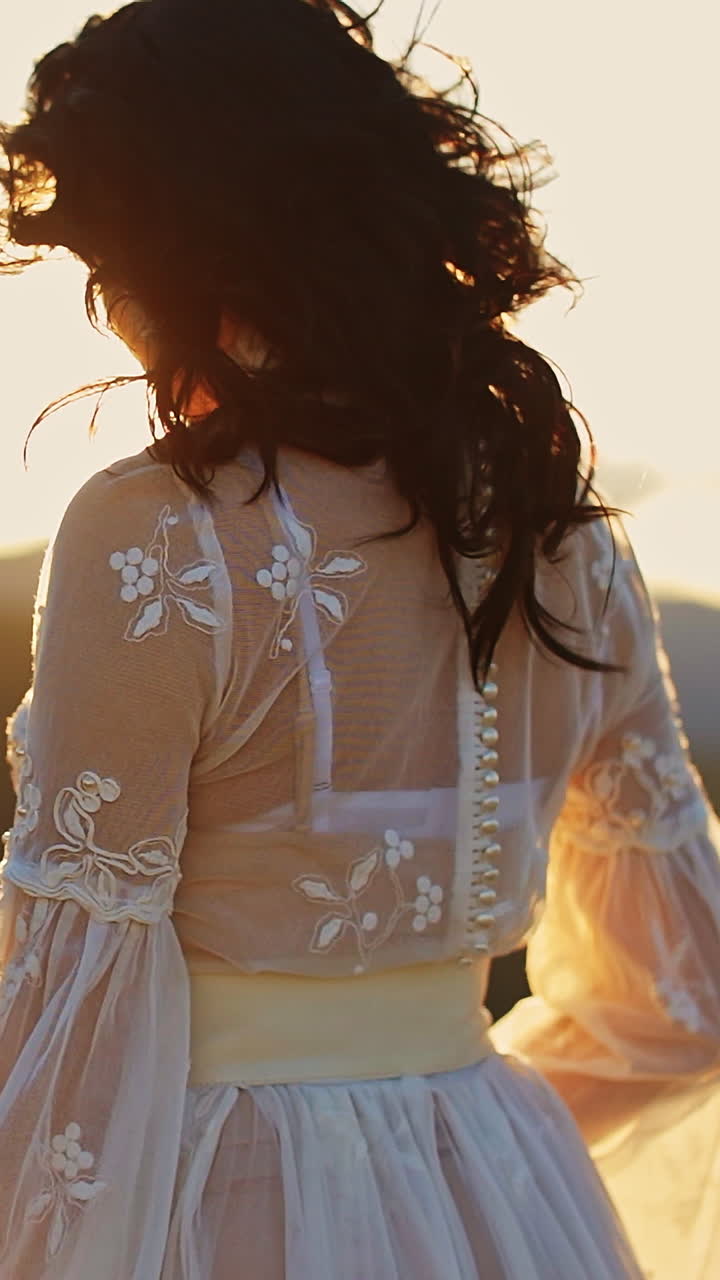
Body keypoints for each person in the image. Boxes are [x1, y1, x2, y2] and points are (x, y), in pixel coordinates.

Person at [0, 2, 718, 1277]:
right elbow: (681, 998)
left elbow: (68, 1054)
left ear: (176, 268)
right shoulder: (573, 543)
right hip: (504, 1186)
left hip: (210, 1202)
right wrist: (434, 1117)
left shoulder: (159, 537)